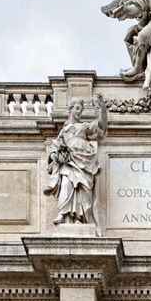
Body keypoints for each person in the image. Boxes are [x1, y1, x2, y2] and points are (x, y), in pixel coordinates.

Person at [44, 94, 107, 226]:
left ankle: (80, 217)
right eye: (77, 108)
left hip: (84, 162)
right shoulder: (64, 131)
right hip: (68, 161)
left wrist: (101, 109)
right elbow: (54, 147)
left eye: (81, 109)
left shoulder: (84, 127)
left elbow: (101, 125)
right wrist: (56, 155)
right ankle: (63, 214)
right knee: (66, 184)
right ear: (70, 109)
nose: (79, 111)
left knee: (82, 188)